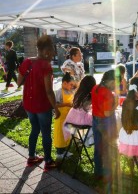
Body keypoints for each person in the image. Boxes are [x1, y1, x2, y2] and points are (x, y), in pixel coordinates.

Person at [18, 35, 60, 170]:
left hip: (28, 104)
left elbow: (19, 82)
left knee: (34, 129)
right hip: (42, 105)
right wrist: (56, 108)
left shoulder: (27, 62)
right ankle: (48, 161)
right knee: (46, 132)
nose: (54, 53)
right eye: (53, 50)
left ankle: (31, 157)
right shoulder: (45, 66)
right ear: (46, 51)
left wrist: (31, 79)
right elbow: (49, 91)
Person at [92, 70, 119, 192]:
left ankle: (97, 173)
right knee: (107, 150)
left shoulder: (96, 87)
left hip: (95, 119)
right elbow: (108, 113)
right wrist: (116, 105)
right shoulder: (108, 93)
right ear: (111, 81)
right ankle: (107, 177)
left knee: (98, 148)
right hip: (104, 122)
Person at [63, 75, 96, 146]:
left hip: (71, 118)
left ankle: (86, 138)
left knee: (95, 120)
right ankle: (86, 138)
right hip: (80, 119)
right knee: (98, 122)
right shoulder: (89, 96)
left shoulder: (78, 93)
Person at [53, 72, 75, 160]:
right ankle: (59, 152)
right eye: (71, 85)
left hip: (68, 117)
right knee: (60, 135)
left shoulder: (70, 91)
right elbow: (56, 104)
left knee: (67, 133)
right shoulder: (59, 92)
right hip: (61, 118)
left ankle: (65, 150)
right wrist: (66, 104)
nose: (72, 87)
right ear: (64, 83)